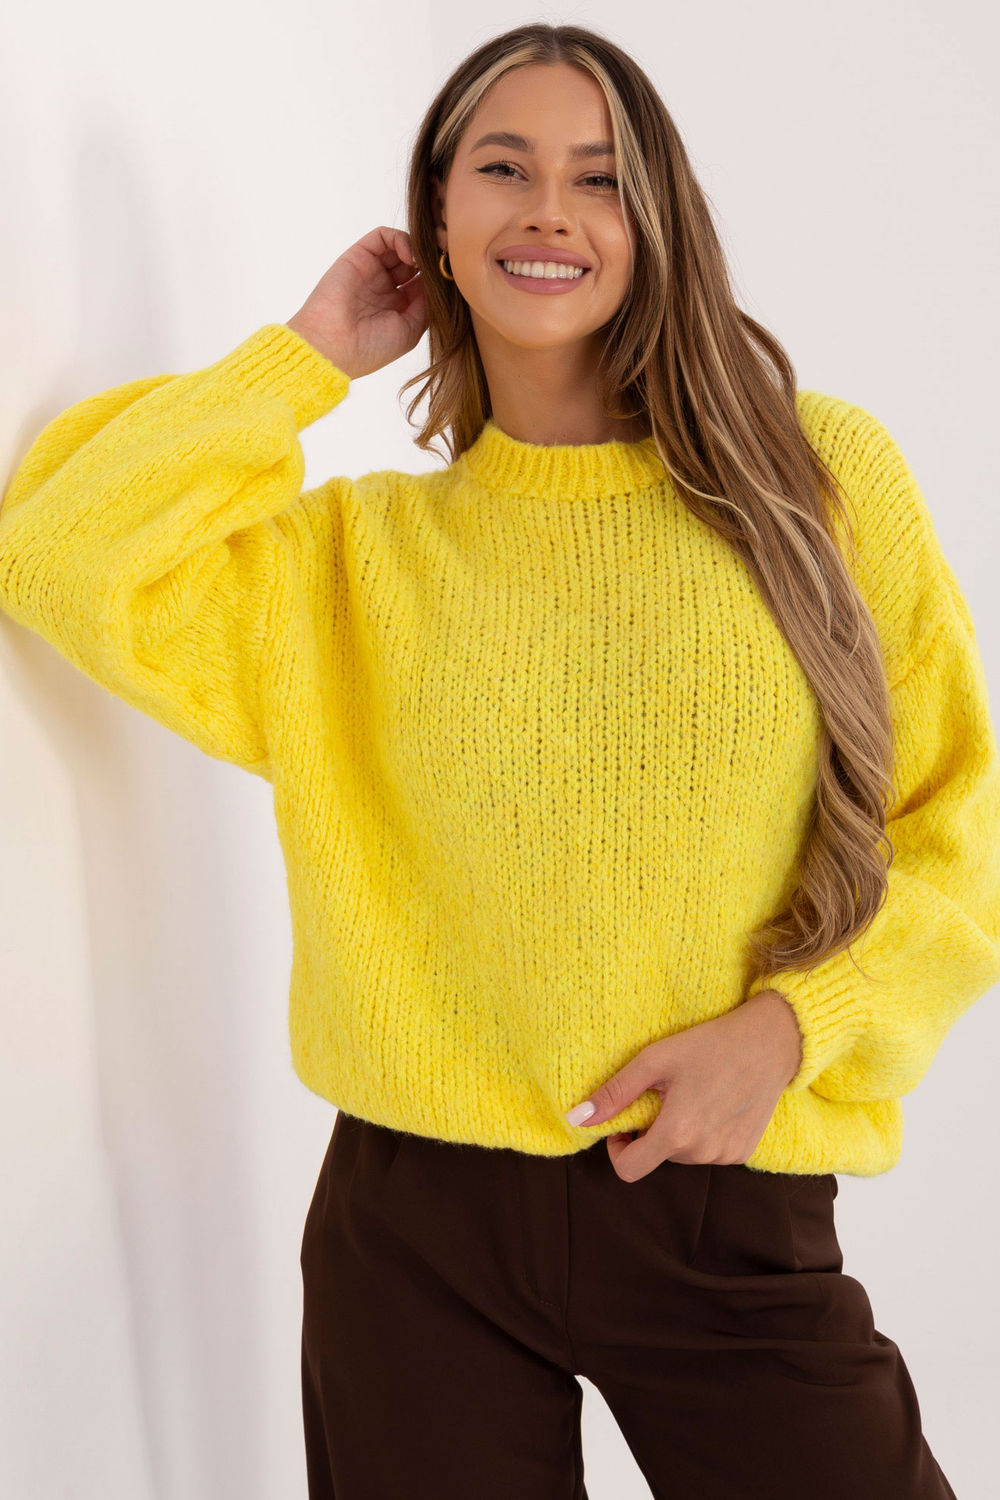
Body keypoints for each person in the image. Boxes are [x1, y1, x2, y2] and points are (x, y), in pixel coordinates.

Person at [1, 20, 995, 1500]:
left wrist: (796, 1030)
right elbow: (65, 551)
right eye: (503, 170)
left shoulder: (819, 481)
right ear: (439, 222)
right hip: (413, 1230)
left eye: (598, 178)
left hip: (719, 1202)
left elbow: (961, 828)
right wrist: (307, 358)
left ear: (655, 220)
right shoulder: (353, 565)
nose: (549, 211)